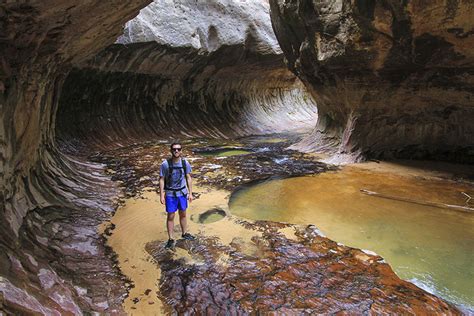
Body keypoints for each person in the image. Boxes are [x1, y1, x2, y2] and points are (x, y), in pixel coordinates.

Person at [159, 142, 195, 249]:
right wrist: (161, 195)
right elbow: (161, 179)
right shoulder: (165, 164)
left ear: (181, 151)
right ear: (171, 151)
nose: (176, 151)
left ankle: (184, 233)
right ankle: (171, 238)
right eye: (174, 149)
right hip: (170, 194)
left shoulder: (185, 163)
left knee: (183, 213)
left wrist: (190, 193)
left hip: (182, 193)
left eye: (178, 149)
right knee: (171, 216)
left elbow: (188, 177)